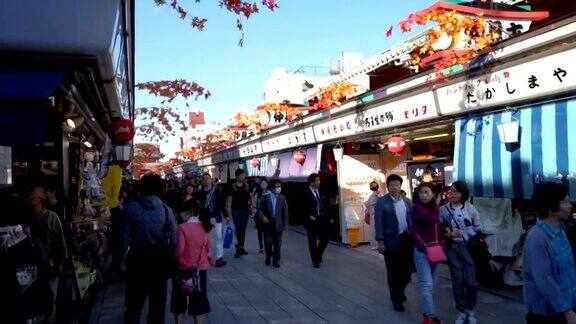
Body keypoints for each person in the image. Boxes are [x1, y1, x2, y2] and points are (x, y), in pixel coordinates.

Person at [120, 174, 177, 324]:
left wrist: (120, 262)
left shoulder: (130, 208)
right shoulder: (167, 211)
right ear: (161, 189)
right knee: (157, 307)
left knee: (133, 306)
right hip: (159, 265)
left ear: (142, 188)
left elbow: (124, 239)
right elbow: (174, 241)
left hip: (136, 261)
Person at [524, 182, 576, 324]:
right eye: (565, 201)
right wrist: (566, 311)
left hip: (568, 304)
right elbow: (545, 280)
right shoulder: (537, 237)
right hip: (547, 314)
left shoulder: (561, 229)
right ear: (551, 206)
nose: (570, 205)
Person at [440, 181, 482, 324]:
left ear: (463, 194)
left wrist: (465, 232)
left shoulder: (470, 208)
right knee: (457, 281)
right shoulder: (444, 209)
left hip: (469, 248)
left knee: (471, 282)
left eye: (456, 192)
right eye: (451, 191)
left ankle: (471, 309)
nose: (452, 194)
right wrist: (449, 233)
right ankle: (461, 311)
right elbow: (440, 229)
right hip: (453, 248)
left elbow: (478, 227)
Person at [26, 187, 68, 323]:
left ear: (40, 200)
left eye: (32, 198)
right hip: (34, 264)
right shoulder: (28, 219)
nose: (29, 200)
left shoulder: (51, 217)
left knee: (51, 296)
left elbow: (60, 241)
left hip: (50, 263)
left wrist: (60, 262)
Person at [374, 175, 413, 312]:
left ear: (400, 186)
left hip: (406, 240)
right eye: (392, 185)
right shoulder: (382, 202)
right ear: (388, 186)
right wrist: (380, 241)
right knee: (393, 272)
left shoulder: (407, 202)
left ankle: (400, 291)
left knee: (408, 272)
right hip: (390, 241)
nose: (394, 187)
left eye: (397, 185)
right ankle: (396, 299)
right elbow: (378, 222)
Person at [171, 199, 212, 324]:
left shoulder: (182, 228)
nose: (180, 215)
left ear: (189, 212)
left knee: (179, 300)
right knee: (198, 302)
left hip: (183, 269)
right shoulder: (205, 227)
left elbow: (179, 250)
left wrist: (175, 260)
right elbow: (208, 248)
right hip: (200, 269)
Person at [411, 182, 442, 324]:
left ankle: (425, 315)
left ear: (433, 194)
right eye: (421, 192)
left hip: (436, 252)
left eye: (426, 192)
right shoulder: (416, 208)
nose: (423, 195)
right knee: (427, 285)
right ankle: (432, 316)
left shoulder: (436, 209)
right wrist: (436, 204)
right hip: (422, 252)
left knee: (432, 285)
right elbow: (432, 219)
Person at [194, 173, 228, 268]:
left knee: (218, 237)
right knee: (206, 239)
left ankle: (219, 258)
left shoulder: (216, 191)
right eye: (204, 179)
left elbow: (221, 204)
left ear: (211, 180)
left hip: (216, 217)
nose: (206, 181)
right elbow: (197, 207)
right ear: (202, 181)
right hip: (205, 219)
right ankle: (207, 257)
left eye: (208, 178)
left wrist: (226, 216)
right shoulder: (199, 193)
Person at [257, 179, 289, 268]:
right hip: (268, 223)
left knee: (278, 244)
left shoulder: (282, 198)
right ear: (272, 188)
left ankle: (276, 261)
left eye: (280, 186)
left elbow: (285, 211)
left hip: (278, 223)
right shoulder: (265, 197)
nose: (279, 188)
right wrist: (263, 217)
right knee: (268, 242)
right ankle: (268, 256)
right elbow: (260, 209)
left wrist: (286, 224)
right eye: (277, 186)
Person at [302, 173, 331, 268]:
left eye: (319, 180)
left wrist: (329, 217)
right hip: (312, 220)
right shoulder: (306, 193)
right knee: (312, 241)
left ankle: (318, 254)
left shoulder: (322, 191)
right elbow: (303, 208)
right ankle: (315, 261)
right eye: (317, 180)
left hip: (322, 218)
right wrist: (309, 216)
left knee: (325, 238)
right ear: (312, 182)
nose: (319, 182)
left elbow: (326, 204)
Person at [226, 169, 252, 258]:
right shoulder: (232, 186)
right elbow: (229, 201)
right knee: (238, 228)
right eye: (241, 175)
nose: (243, 177)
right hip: (236, 210)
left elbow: (250, 198)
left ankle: (241, 247)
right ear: (237, 176)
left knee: (243, 229)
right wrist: (229, 215)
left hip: (245, 210)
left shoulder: (247, 186)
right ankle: (239, 247)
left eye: (244, 175)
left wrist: (252, 207)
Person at [252, 179, 270, 254]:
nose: (263, 184)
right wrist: (254, 210)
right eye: (262, 183)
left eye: (265, 183)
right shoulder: (257, 193)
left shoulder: (270, 193)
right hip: (258, 214)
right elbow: (254, 203)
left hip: (268, 214)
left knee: (267, 231)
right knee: (260, 231)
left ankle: (267, 246)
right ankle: (261, 247)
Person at [364, 181, 381, 250]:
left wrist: (368, 205)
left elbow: (371, 203)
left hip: (375, 213)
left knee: (375, 229)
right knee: (374, 229)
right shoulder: (375, 195)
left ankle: (376, 244)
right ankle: (375, 244)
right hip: (373, 213)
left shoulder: (377, 195)